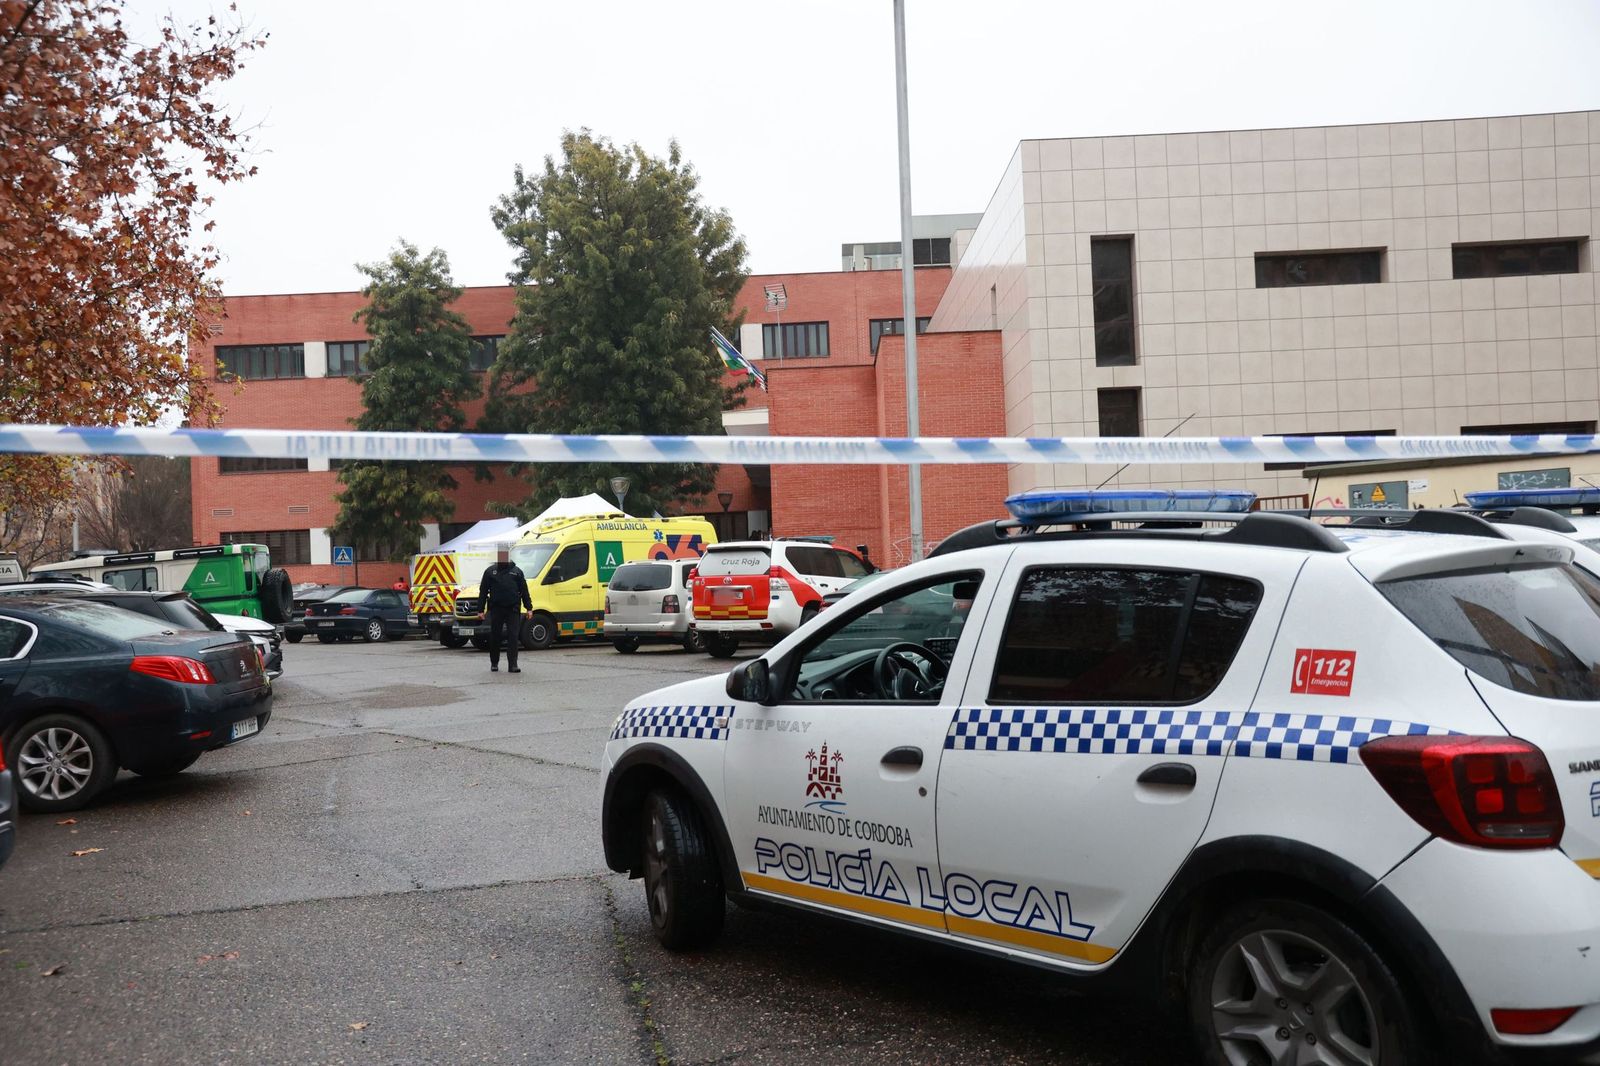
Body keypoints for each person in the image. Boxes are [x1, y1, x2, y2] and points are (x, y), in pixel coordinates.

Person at [479, 544, 532, 673]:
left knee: (513, 636)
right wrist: (480, 610)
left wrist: (529, 608)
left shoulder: (517, 572)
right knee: (495, 636)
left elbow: (524, 591)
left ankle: (513, 664)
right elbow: (483, 591)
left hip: (513, 609)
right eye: (500, 554)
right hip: (496, 609)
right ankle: (494, 663)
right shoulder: (490, 572)